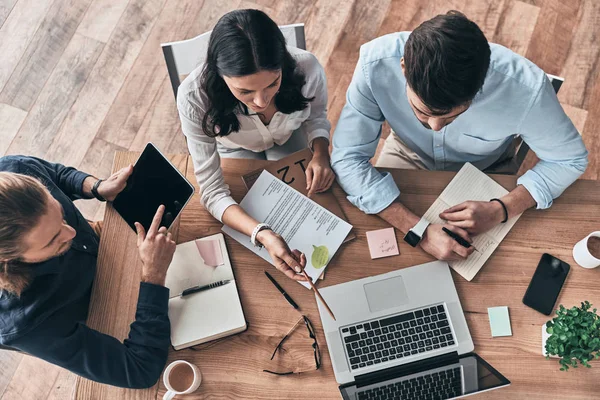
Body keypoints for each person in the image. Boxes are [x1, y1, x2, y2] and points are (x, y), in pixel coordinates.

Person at [331, 10, 588, 261]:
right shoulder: (373, 64)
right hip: (407, 153)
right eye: (422, 111)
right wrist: (417, 230)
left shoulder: (527, 91)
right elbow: (347, 157)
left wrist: (502, 208)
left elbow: (569, 160)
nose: (435, 127)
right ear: (404, 68)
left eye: (452, 116)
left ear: (480, 88)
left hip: (488, 169)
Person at [177, 9, 334, 281]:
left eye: (273, 83)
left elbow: (317, 116)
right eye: (245, 91)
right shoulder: (194, 98)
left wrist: (321, 153)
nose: (261, 101)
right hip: (232, 148)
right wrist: (261, 233)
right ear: (219, 74)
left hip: (291, 138)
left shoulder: (306, 67)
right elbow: (212, 192)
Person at [0, 155, 176, 388]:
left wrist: (97, 187)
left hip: (108, 250)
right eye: (53, 240)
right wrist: (153, 276)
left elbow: (56, 175)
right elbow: (140, 371)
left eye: (61, 214)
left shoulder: (15, 170)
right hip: (103, 310)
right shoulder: (25, 323)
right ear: (7, 260)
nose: (71, 233)